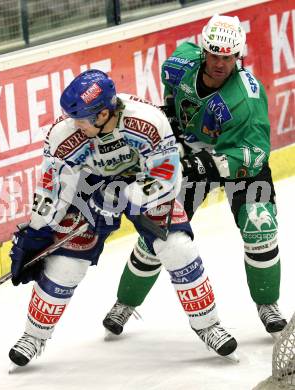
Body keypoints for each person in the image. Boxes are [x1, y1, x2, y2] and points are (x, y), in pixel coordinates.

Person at [8, 69, 237, 369]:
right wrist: (38, 230)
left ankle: (208, 325)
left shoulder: (149, 121)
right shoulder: (62, 135)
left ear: (104, 113)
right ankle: (33, 336)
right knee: (65, 265)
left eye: (82, 118)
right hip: (88, 190)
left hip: (142, 184)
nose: (74, 125)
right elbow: (53, 188)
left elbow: (167, 177)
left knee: (178, 247)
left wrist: (125, 197)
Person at [103, 14, 287, 340]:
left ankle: (267, 305)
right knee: (158, 233)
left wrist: (204, 165)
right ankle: (125, 302)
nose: (219, 63)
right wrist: (172, 117)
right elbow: (174, 94)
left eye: (227, 57)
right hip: (192, 151)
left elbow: (255, 155)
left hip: (239, 161)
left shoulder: (247, 98)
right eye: (214, 54)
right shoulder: (179, 63)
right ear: (203, 51)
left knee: (260, 223)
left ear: (237, 57)